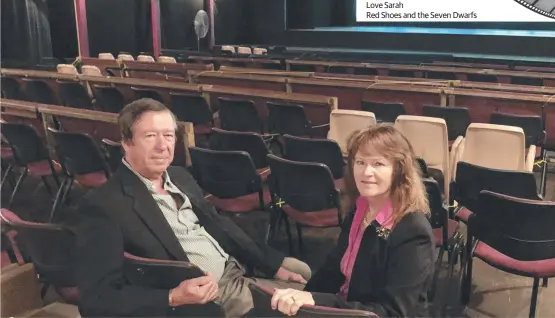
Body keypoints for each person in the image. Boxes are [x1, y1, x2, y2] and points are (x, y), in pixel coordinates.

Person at [71, 98, 311, 317]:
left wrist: (271, 263)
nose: (162, 146)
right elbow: (96, 299)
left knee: (305, 276)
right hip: (210, 300)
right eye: (150, 136)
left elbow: (220, 224)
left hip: (236, 270)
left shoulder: (178, 176)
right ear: (126, 142)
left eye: (168, 135)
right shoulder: (104, 205)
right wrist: (173, 296)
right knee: (306, 306)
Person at [270, 123, 436, 317]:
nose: (366, 172)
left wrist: (317, 302)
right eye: (360, 162)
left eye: (378, 164)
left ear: (398, 171)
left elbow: (393, 312)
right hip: (348, 307)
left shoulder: (413, 231)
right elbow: (333, 268)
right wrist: (303, 296)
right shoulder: (360, 206)